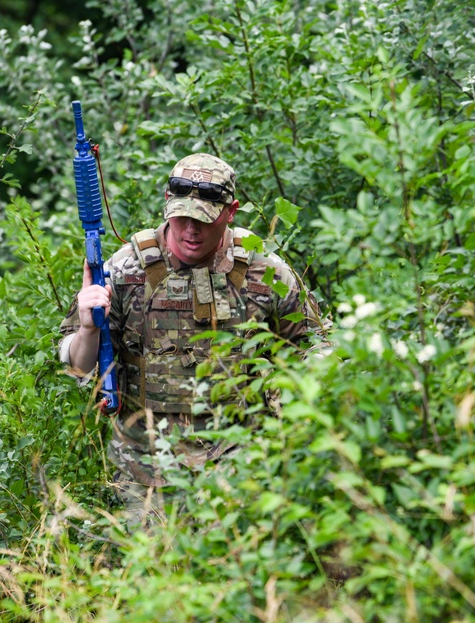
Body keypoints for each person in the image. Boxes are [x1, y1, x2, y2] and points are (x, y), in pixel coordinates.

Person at [57, 153, 327, 525]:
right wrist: (88, 327)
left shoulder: (268, 273)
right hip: (145, 463)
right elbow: (75, 366)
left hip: (243, 460)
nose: (190, 231)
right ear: (168, 202)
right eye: (181, 216)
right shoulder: (124, 270)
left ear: (230, 212)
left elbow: (316, 349)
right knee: (152, 575)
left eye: (204, 219)